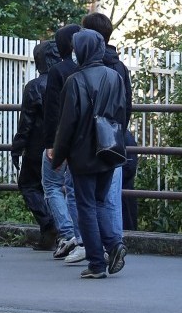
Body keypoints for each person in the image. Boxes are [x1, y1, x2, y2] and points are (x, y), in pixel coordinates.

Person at [52, 29, 128, 279]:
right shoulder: (114, 76)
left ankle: (97, 262)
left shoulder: (75, 81)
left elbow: (67, 124)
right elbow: (123, 112)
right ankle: (114, 244)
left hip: (83, 152)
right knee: (100, 201)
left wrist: (60, 155)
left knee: (85, 206)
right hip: (110, 148)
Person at [81, 12, 133, 234]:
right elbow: (126, 104)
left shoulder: (87, 68)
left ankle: (97, 243)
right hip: (114, 136)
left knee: (87, 196)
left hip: (88, 140)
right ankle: (114, 241)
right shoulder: (119, 67)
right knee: (111, 194)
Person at [41, 23, 85, 264]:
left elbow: (52, 110)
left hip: (61, 138)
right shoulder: (86, 68)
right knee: (78, 189)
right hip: (84, 140)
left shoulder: (58, 71)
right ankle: (82, 236)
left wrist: (51, 143)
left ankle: (68, 233)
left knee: (51, 185)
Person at [11, 40, 57, 251]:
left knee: (29, 185)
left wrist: (18, 146)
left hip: (38, 147)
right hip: (63, 144)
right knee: (59, 188)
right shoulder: (69, 79)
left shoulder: (35, 86)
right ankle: (58, 231)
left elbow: (26, 122)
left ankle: (48, 224)